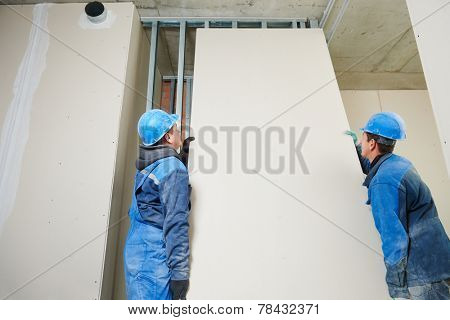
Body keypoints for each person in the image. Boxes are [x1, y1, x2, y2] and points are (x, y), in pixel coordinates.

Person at [345, 112, 450, 300]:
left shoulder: (383, 183)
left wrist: (397, 288)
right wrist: (355, 151)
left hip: (423, 275)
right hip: (438, 262)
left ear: (372, 143)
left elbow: (394, 238)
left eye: (363, 136)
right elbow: (377, 168)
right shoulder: (399, 164)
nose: (361, 139)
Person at [124, 109, 190, 300]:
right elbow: (176, 224)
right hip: (153, 260)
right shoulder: (173, 169)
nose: (179, 134)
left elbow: (152, 201)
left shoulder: (147, 163)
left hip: (137, 252)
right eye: (176, 130)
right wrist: (180, 275)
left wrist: (178, 159)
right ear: (169, 137)